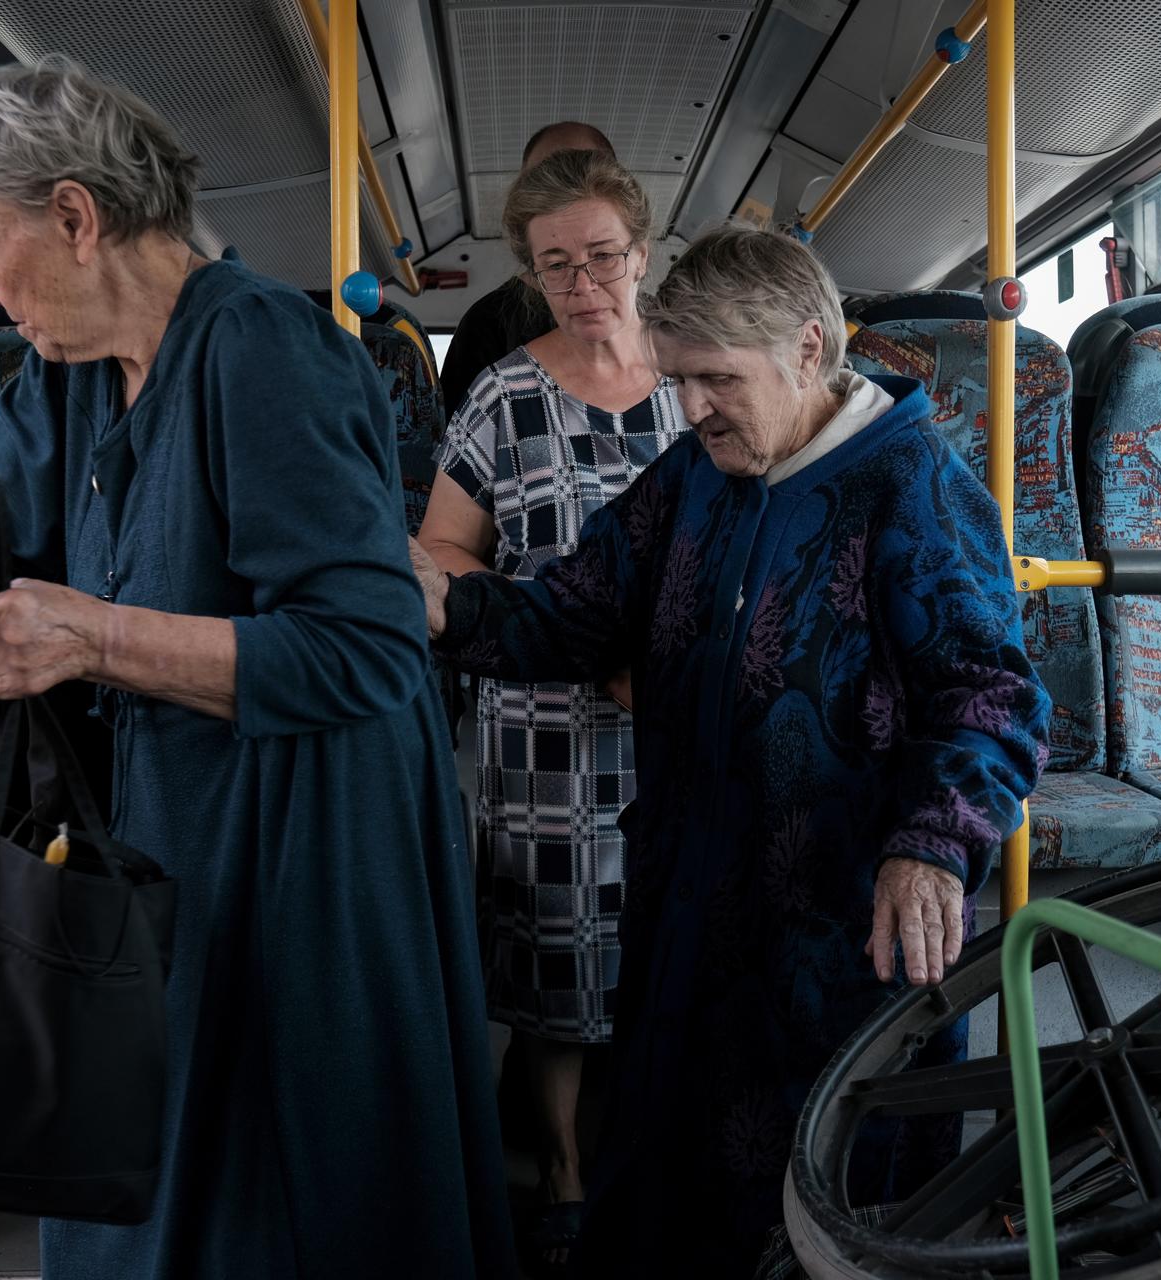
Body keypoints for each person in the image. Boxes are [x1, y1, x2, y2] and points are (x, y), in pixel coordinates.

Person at [0, 58, 512, 1280]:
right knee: (151, 1159)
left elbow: (370, 647)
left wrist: (96, 634)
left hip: (303, 846)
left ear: (75, 214)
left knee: (275, 1189)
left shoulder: (263, 354)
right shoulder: (75, 374)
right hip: (174, 824)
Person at [409, 225, 1051, 1276]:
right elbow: (578, 611)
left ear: (809, 348)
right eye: (679, 377)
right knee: (668, 1189)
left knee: (823, 1205)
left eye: (716, 379)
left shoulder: (914, 487)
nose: (692, 405)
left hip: (839, 934)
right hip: (689, 910)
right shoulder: (695, 472)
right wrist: (447, 606)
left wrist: (933, 841)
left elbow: (990, 696)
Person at [417, 147, 687, 1266]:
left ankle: (667, 1160)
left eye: (604, 259)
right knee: (557, 959)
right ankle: (569, 1178)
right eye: (556, 266)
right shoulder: (504, 395)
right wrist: (513, 614)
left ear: (645, 250)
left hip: (684, 715)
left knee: (678, 941)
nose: (585, 287)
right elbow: (438, 546)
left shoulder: (700, 371)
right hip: (541, 726)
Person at [438, 122, 615, 417]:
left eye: (584, 170)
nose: (583, 285)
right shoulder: (487, 324)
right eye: (546, 177)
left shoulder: (656, 328)